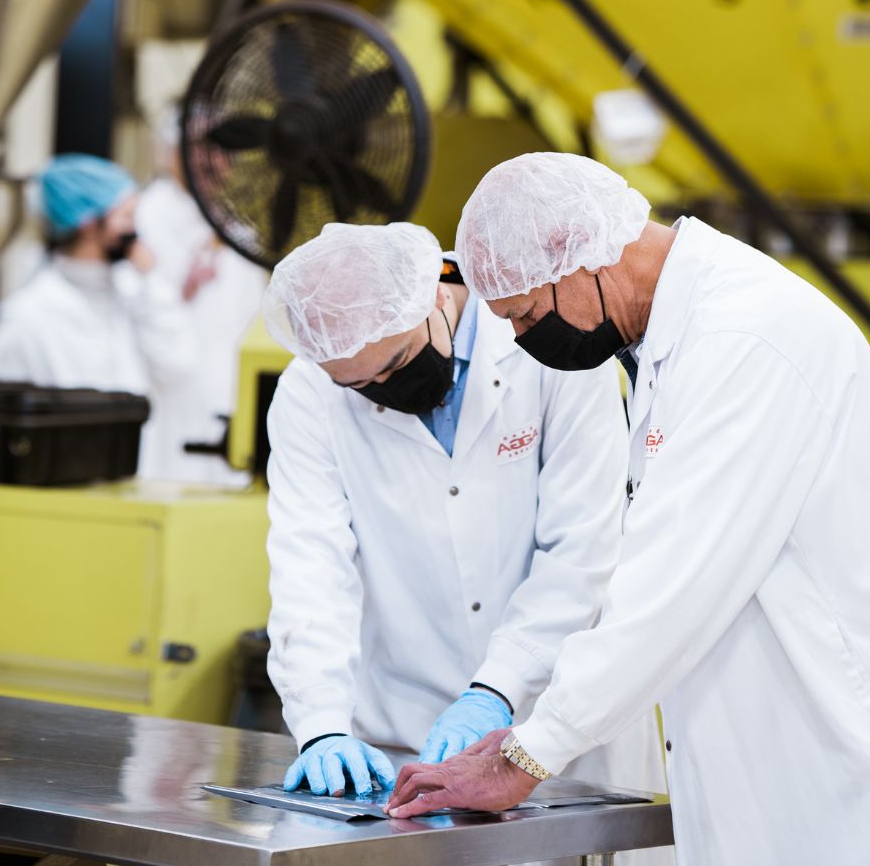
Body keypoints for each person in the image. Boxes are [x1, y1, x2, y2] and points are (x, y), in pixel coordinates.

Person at [387, 153, 870, 866]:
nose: (525, 341)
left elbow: (670, 583)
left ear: (579, 259)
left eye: (524, 316)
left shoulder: (747, 336)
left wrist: (526, 752)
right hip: (794, 765)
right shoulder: (682, 335)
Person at [262, 221, 666, 848]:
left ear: (433, 294)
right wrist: (319, 724)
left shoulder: (549, 347)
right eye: (359, 385)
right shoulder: (308, 392)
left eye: (395, 362)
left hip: (559, 728)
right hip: (404, 733)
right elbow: (310, 567)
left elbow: (582, 551)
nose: (384, 390)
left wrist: (495, 690)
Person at [0, 154, 194, 473]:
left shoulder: (133, 296)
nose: (135, 231)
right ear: (88, 223)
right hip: (64, 496)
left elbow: (178, 368)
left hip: (135, 482)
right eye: (126, 216)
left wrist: (151, 283)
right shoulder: (28, 315)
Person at [135, 109, 268, 484]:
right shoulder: (146, 217)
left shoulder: (237, 226)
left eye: (223, 151)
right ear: (170, 154)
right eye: (201, 151)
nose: (215, 162)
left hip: (227, 388)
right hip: (167, 392)